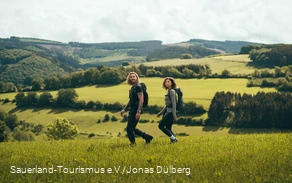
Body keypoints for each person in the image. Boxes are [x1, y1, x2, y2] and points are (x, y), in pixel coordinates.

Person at [120, 72, 153, 145]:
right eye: (131, 77)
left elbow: (141, 100)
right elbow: (130, 100)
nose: (132, 78)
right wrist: (124, 109)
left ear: (136, 77)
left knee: (129, 129)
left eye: (133, 77)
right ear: (129, 79)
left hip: (136, 109)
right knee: (132, 128)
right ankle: (147, 137)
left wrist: (138, 111)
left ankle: (133, 144)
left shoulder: (138, 87)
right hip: (132, 108)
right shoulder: (133, 88)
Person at [157, 77, 179, 143]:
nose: (166, 83)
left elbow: (174, 103)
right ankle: (174, 140)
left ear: (172, 83)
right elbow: (167, 105)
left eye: (168, 81)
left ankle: (174, 139)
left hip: (171, 112)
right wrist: (161, 113)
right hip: (169, 111)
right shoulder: (169, 91)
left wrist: (174, 114)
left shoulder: (172, 91)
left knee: (160, 126)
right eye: (166, 82)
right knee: (168, 128)